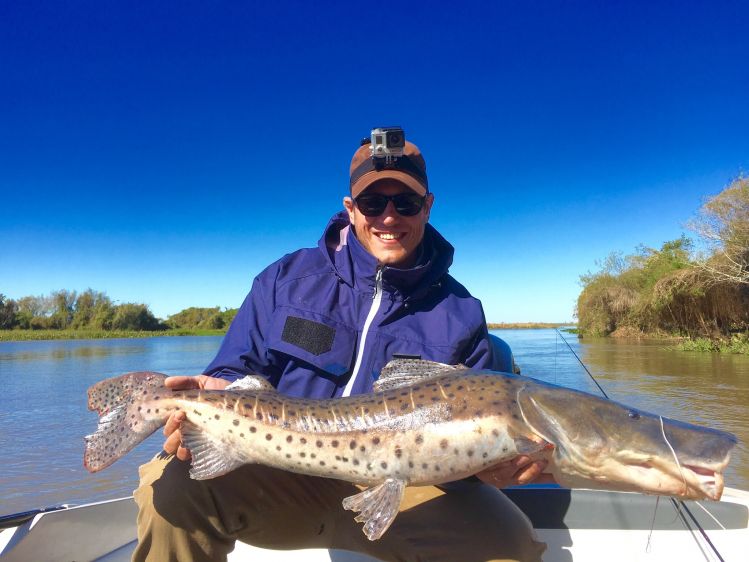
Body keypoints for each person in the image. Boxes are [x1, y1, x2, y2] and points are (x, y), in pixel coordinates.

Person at [133, 130, 549, 562]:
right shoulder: (285, 280)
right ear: (351, 210)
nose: (389, 218)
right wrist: (217, 392)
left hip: (406, 486)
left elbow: (466, 451)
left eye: (404, 203)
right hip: (279, 470)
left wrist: (489, 470)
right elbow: (235, 368)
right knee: (172, 492)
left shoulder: (462, 313)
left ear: (427, 207)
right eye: (373, 204)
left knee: (512, 546)